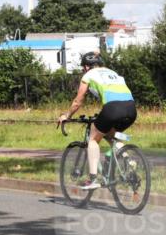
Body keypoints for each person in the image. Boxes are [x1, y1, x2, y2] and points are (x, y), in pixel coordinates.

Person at [57, 51, 137, 190]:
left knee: (93, 140)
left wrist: (67, 115)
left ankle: (93, 179)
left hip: (113, 109)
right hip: (131, 108)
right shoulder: (113, 73)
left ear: (87, 66)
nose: (83, 70)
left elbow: (78, 101)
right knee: (112, 135)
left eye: (83, 67)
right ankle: (128, 159)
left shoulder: (89, 75)